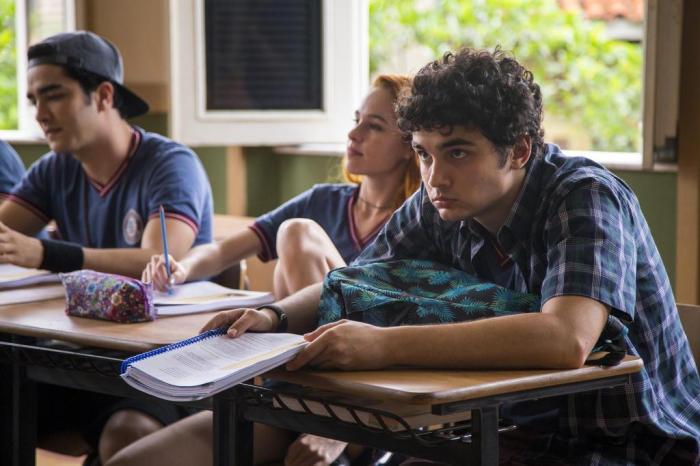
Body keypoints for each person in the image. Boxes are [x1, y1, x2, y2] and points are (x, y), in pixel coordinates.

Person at [131, 47, 698, 465]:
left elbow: (566, 339)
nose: (434, 176)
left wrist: (380, 344)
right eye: (424, 154)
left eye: (457, 152)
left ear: (520, 149)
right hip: (511, 431)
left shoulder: (582, 194)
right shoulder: (440, 202)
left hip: (628, 445)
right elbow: (351, 282)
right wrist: (272, 317)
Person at [109, 74, 421, 466]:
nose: (353, 133)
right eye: (356, 119)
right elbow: (225, 249)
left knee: (297, 233)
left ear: (411, 147)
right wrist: (180, 267)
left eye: (373, 126)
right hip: (285, 400)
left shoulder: (417, 225)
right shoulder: (323, 200)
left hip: (363, 410)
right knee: (128, 462)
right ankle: (320, 418)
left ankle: (334, 425)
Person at [0, 31, 214, 465]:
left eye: (53, 95)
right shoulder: (54, 168)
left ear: (102, 95)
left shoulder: (170, 164)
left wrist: (46, 254)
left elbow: (157, 263)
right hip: (83, 355)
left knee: (127, 436)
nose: (39, 114)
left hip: (167, 364)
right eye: (33, 101)